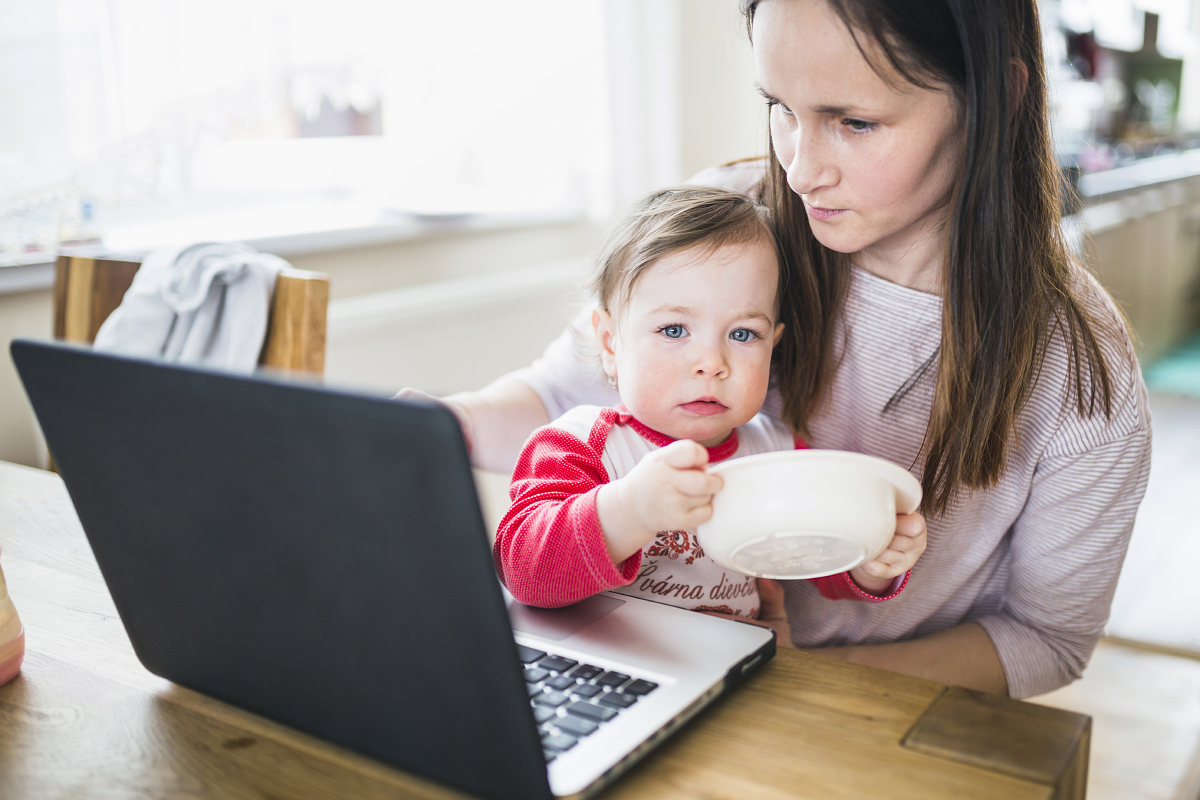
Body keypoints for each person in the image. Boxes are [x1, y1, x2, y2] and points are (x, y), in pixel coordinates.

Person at [404, 0, 1151, 700]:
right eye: (779, 110)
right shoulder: (730, 220)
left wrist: (786, 679)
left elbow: (1047, 640)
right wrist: (428, 428)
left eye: (854, 122)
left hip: (854, 710)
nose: (799, 170)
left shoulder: (1082, 370)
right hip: (666, 677)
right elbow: (560, 396)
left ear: (996, 95)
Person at [493, 187, 925, 626]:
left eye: (742, 335)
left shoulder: (775, 452)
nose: (711, 364)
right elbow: (523, 573)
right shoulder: (580, 444)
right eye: (675, 329)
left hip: (732, 669)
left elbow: (816, 553)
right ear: (610, 342)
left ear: (772, 346)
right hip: (616, 676)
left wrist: (870, 564)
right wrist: (631, 511)